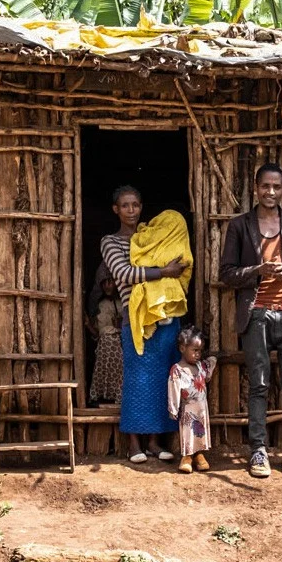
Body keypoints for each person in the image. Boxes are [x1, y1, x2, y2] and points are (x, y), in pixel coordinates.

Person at [218, 163, 282, 478]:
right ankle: (258, 453)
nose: (271, 192)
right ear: (255, 187)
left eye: (277, 187)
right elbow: (226, 273)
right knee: (259, 385)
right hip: (256, 314)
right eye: (265, 186)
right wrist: (255, 272)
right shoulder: (239, 226)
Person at [100, 185, 188, 463]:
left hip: (165, 317)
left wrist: (172, 271)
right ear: (116, 209)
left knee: (163, 378)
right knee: (137, 379)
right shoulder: (110, 241)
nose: (131, 211)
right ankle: (133, 442)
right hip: (135, 319)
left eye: (135, 205)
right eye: (125, 206)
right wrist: (164, 271)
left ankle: (154, 441)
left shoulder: (150, 237)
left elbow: (180, 261)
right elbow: (124, 273)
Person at [167, 326, 215, 474]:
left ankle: (199, 455)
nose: (198, 354)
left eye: (200, 351)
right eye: (194, 350)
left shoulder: (201, 366)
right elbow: (173, 390)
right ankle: (187, 456)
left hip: (201, 409)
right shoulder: (177, 370)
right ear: (182, 348)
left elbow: (212, 362)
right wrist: (173, 409)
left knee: (201, 432)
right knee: (188, 432)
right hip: (187, 409)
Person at [85, 265, 122, 407]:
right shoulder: (99, 305)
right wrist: (89, 325)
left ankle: (120, 396)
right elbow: (97, 333)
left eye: (111, 281)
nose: (108, 285)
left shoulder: (124, 303)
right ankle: (100, 396)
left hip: (123, 344)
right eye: (104, 282)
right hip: (105, 345)